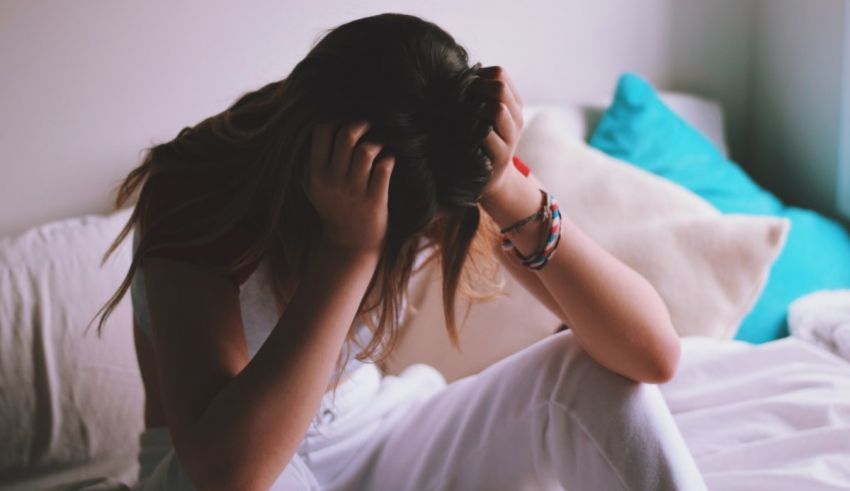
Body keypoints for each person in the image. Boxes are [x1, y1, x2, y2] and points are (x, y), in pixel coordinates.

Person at [90, 12, 708, 491]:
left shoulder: (431, 150)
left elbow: (651, 353)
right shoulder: (199, 189)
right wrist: (350, 252)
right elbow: (228, 470)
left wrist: (503, 186)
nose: (415, 244)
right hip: (230, 464)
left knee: (591, 379)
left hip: (374, 434)